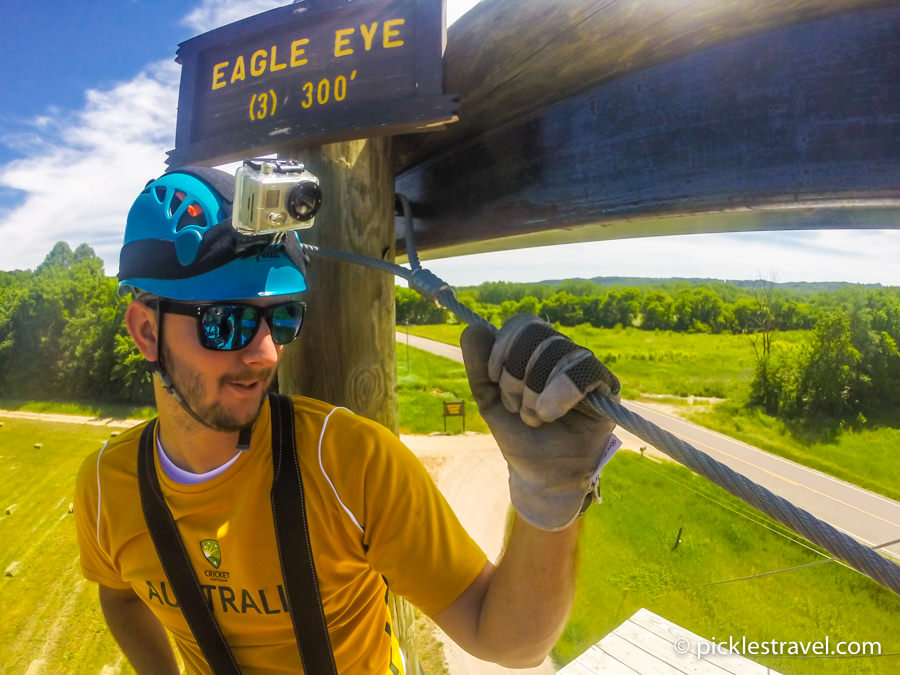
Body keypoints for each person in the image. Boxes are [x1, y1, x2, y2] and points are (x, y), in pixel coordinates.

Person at [74, 166, 621, 674]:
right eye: (228, 322)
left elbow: (508, 642)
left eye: (282, 318)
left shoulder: (350, 463)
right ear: (146, 331)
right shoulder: (107, 489)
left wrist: (550, 504)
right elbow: (119, 592)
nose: (266, 354)